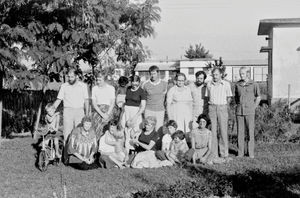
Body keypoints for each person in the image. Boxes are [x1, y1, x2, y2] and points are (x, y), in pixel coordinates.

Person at [53, 68, 89, 144]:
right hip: (68, 111)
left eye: (72, 77)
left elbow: (86, 101)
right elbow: (58, 100)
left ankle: (78, 154)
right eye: (68, 77)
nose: (70, 79)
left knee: (80, 134)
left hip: (79, 111)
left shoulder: (83, 86)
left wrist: (87, 114)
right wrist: (51, 109)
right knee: (67, 134)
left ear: (76, 76)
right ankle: (66, 154)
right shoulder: (64, 86)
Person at [205, 68, 233, 163]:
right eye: (213, 75)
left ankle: (224, 154)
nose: (215, 76)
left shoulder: (226, 84)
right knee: (213, 131)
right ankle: (214, 154)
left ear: (221, 74)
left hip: (222, 107)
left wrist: (225, 107)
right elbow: (207, 97)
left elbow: (229, 97)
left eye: (217, 74)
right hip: (212, 107)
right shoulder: (209, 84)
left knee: (223, 130)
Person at [235, 67, 261, 158]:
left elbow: (258, 97)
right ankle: (240, 153)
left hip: (250, 111)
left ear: (247, 74)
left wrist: (254, 107)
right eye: (240, 73)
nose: (241, 75)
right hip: (239, 112)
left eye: (242, 73)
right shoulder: (238, 84)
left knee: (250, 132)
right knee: (240, 133)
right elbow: (236, 98)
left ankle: (250, 153)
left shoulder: (254, 84)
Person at [143, 65, 168, 133]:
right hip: (148, 110)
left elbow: (166, 98)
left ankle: (158, 143)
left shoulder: (164, 84)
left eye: (154, 73)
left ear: (158, 73)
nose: (153, 75)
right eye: (151, 74)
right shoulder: (145, 84)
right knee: (148, 129)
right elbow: (143, 99)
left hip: (160, 110)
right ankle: (147, 143)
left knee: (159, 130)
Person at [91, 72, 116, 139]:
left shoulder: (111, 88)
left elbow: (112, 102)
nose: (98, 82)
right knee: (96, 131)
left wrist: (107, 114)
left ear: (104, 80)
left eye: (100, 80)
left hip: (108, 111)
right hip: (98, 112)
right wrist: (102, 114)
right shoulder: (94, 88)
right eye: (97, 80)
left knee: (107, 131)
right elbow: (94, 103)